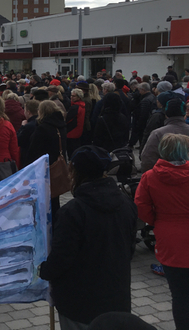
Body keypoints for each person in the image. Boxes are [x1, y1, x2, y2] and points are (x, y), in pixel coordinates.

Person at [39, 145, 137, 330]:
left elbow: (61, 258)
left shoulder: (73, 212)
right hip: (117, 297)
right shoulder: (126, 204)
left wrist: (43, 270)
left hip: (79, 303)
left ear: (75, 172)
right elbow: (129, 248)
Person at [135, 133, 189, 330]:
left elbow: (141, 205)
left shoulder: (150, 177)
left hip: (168, 238)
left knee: (180, 295)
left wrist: (157, 221)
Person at [26, 100, 67, 218]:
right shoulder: (61, 126)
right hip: (56, 165)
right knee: (55, 197)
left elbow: (33, 150)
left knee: (44, 199)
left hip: (44, 167)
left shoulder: (42, 128)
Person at [141, 97, 189, 172]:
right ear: (184, 113)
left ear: (166, 114)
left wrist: (154, 175)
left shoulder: (158, 133)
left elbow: (148, 159)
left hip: (164, 176)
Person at [66, 88, 86, 158]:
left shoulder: (75, 107)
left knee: (71, 152)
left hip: (71, 132)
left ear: (79, 97)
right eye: (71, 95)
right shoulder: (82, 105)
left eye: (73, 96)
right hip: (78, 131)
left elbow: (67, 120)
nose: (71, 97)